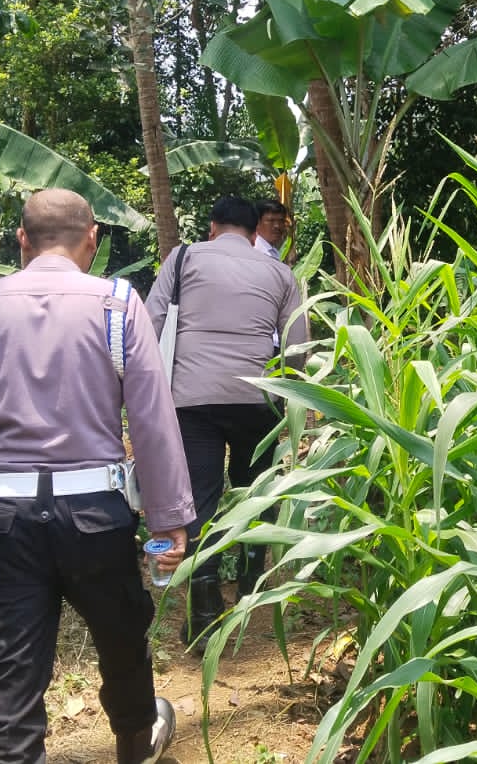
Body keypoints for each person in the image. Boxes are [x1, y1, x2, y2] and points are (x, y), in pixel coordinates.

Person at [0, 189, 195, 764]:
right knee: (121, 639)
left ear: (22, 240)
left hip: (6, 519)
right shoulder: (118, 304)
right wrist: (169, 518)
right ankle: (135, 743)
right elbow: (152, 419)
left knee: (10, 672)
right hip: (95, 515)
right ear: (93, 239)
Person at [147, 195, 308, 646]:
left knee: (199, 497)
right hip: (258, 398)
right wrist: (287, 400)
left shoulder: (183, 258)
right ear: (255, 233)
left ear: (212, 227)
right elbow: (296, 346)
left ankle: (203, 611)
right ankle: (251, 589)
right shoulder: (281, 273)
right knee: (254, 492)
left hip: (191, 399)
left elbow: (151, 322)